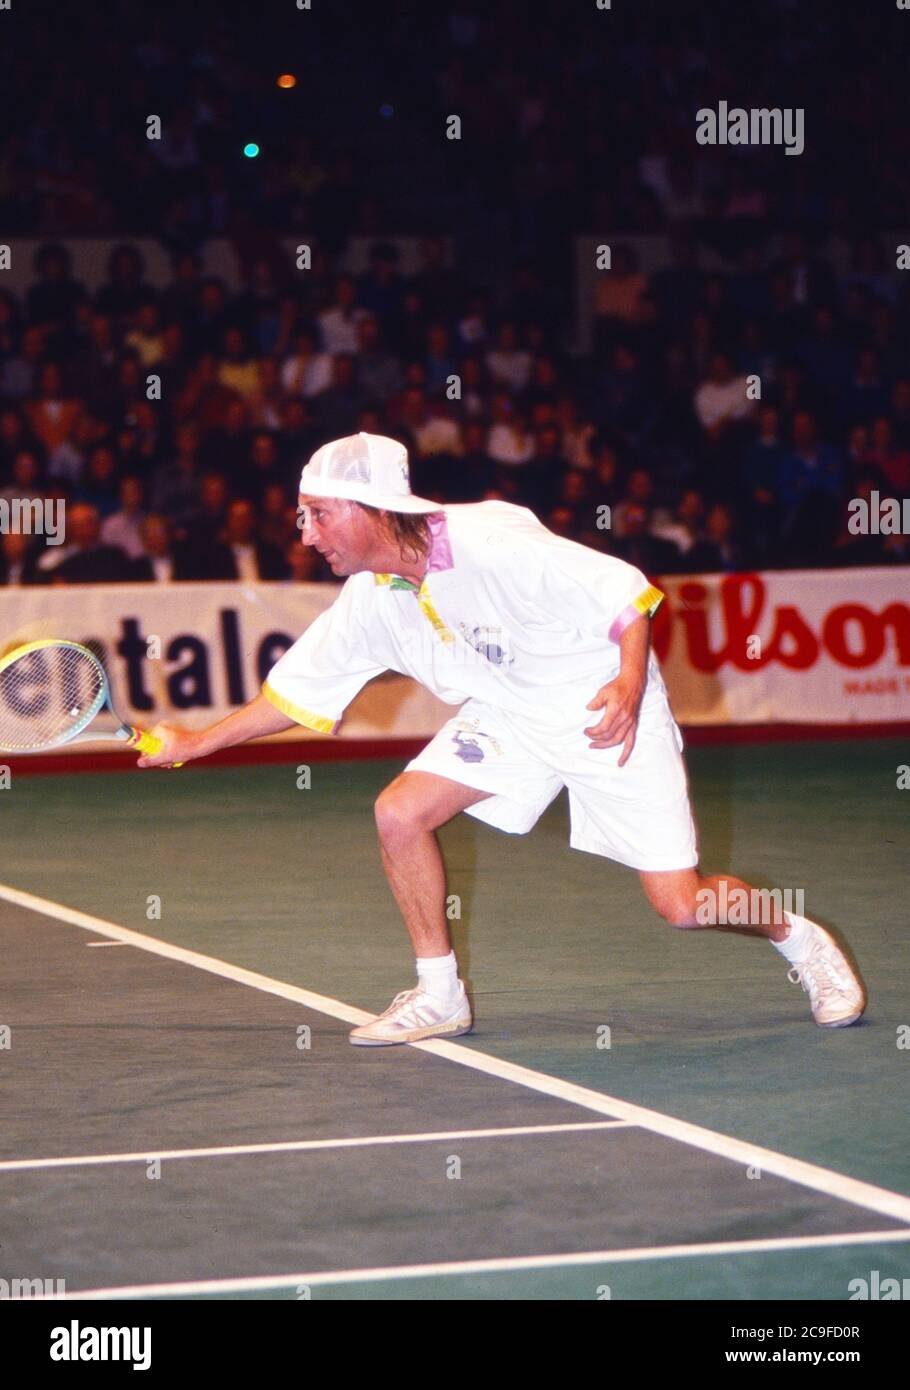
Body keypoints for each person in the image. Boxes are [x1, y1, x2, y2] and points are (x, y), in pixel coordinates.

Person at [138, 432, 866, 1045]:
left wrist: (629, 681)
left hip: (600, 710)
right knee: (399, 812)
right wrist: (196, 741)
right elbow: (291, 695)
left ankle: (797, 937)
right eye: (304, 517)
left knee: (682, 905)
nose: (305, 535)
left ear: (370, 510)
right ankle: (440, 994)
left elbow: (626, 594)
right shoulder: (371, 600)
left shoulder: (491, 541)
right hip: (510, 715)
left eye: (319, 515)